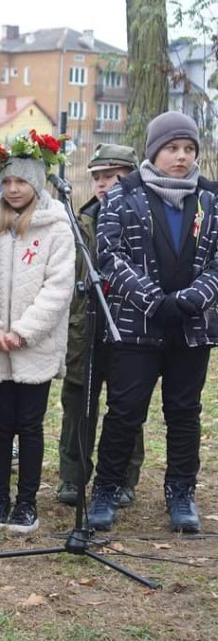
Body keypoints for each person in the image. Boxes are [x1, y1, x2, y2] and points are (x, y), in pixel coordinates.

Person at [91, 112, 218, 534]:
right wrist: (153, 301)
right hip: (136, 326)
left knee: (184, 411)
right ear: (153, 151)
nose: (181, 157)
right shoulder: (121, 198)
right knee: (125, 410)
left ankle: (180, 492)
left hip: (190, 325)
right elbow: (109, 257)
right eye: (172, 149)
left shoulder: (211, 201)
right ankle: (106, 489)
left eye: (188, 149)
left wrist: (186, 301)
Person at [0, 131, 75, 534]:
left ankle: (26, 503)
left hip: (33, 345)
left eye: (21, 181)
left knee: (29, 424)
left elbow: (58, 287)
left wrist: (22, 332)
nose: (13, 189)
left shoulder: (57, 228)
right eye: (6, 182)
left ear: (36, 182)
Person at [56, 143, 144, 507]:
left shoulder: (144, 218)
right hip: (85, 326)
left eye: (111, 176)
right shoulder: (81, 221)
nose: (102, 184)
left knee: (127, 406)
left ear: (131, 177)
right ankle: (72, 477)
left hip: (128, 326)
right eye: (97, 177)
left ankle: (123, 478)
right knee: (77, 402)